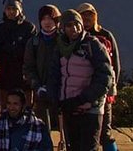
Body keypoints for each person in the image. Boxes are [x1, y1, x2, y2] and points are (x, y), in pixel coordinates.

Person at [47, 10, 113, 151]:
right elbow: (53, 76)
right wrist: (55, 100)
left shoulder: (93, 45)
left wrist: (84, 99)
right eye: (69, 25)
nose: (74, 29)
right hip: (69, 107)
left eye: (77, 24)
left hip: (90, 108)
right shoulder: (60, 48)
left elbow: (105, 76)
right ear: (63, 28)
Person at [76, 2, 120, 151]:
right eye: (83, 15)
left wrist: (111, 87)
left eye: (90, 14)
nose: (87, 18)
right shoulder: (75, 37)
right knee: (84, 131)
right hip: (81, 90)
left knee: (105, 132)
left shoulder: (105, 35)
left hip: (103, 90)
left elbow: (115, 64)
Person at [0, 0, 36, 109]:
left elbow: (31, 51)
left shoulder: (29, 28)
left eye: (14, 9)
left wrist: (9, 49)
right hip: (5, 76)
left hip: (24, 76)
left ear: (20, 10)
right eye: (8, 9)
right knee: (6, 110)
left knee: (26, 110)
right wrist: (15, 49)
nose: (11, 12)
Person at [23, 5, 61, 130]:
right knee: (42, 130)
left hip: (61, 92)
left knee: (65, 131)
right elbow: (28, 68)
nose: (47, 22)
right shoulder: (33, 42)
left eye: (51, 18)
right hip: (40, 95)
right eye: (44, 19)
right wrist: (37, 86)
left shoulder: (64, 41)